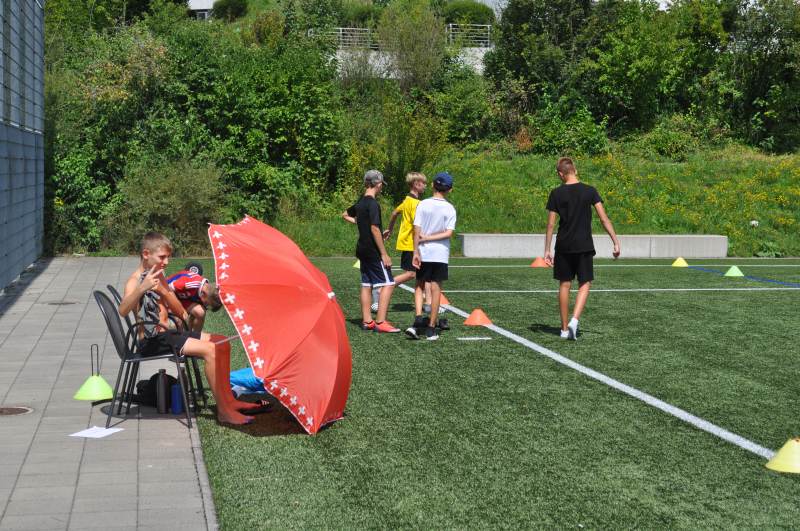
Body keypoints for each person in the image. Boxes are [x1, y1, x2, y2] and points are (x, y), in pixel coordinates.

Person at [118, 232, 270, 425]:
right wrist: (142, 288)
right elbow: (123, 310)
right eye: (162, 257)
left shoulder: (159, 277)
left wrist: (163, 290)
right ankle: (224, 411)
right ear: (146, 254)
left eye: (168, 257)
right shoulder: (134, 281)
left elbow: (179, 311)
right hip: (152, 341)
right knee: (211, 349)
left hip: (168, 335)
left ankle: (230, 401)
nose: (166, 262)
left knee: (222, 342)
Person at [544, 157, 620, 341]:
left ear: (560, 174)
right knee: (584, 282)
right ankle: (574, 320)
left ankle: (564, 330)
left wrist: (547, 249)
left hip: (563, 244)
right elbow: (603, 218)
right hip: (584, 244)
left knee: (565, 284)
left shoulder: (556, 193)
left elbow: (551, 224)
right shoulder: (590, 190)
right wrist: (615, 242)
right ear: (575, 171)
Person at [342, 170, 401, 333]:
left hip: (362, 249)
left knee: (367, 284)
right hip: (373, 250)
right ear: (379, 185)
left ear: (364, 184)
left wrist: (361, 224)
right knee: (389, 284)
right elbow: (375, 228)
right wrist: (384, 253)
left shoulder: (360, 202)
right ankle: (380, 322)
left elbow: (345, 214)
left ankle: (367, 321)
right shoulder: (374, 204)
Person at [406, 172, 457, 341]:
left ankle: (417, 319)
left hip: (424, 252)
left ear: (433, 185)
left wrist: (415, 251)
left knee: (419, 285)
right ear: (449, 190)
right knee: (436, 291)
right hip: (440, 254)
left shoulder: (422, 204)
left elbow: (416, 230)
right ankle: (431, 329)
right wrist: (429, 238)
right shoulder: (450, 209)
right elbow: (448, 234)